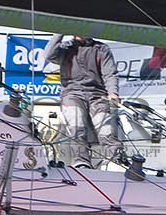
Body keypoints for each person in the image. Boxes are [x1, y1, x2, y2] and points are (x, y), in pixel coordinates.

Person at [39, 33, 121, 167]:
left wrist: (113, 92)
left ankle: (116, 160)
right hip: (72, 94)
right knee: (77, 125)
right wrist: (59, 33)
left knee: (105, 127)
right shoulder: (65, 48)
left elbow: (110, 74)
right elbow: (48, 55)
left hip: (97, 94)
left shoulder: (101, 49)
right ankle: (81, 162)